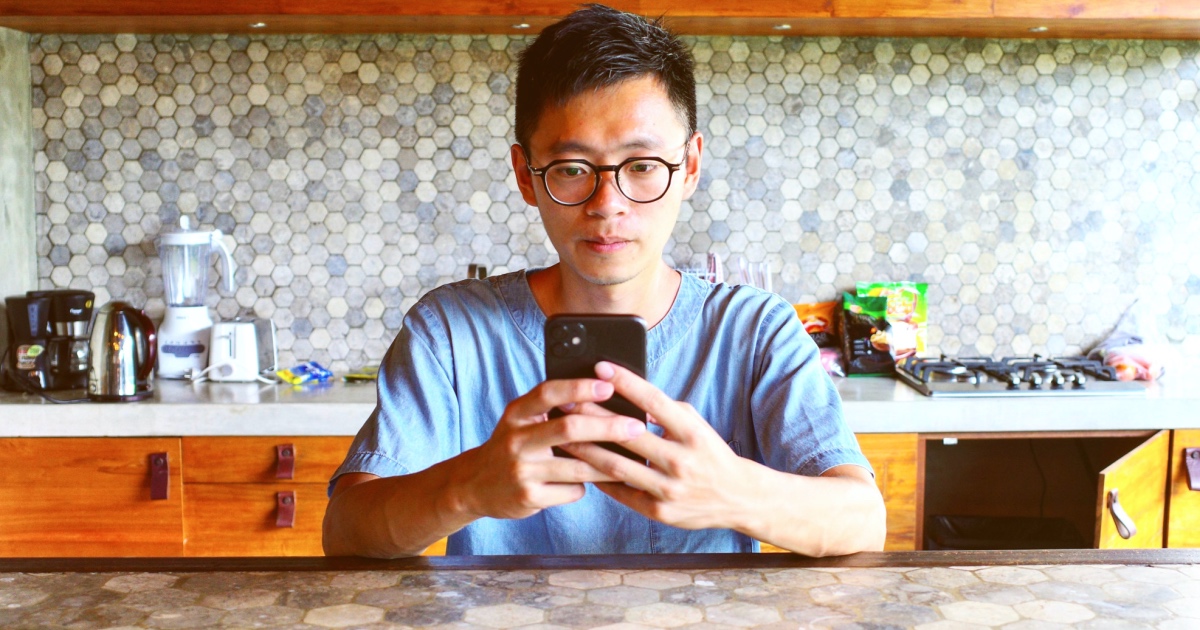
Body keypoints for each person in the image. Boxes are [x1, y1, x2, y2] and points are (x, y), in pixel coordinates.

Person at [322, 3, 886, 557]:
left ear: (689, 166)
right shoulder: (450, 332)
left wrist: (734, 492)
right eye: (572, 169)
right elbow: (346, 532)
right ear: (525, 175)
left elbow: (862, 523)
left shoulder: (754, 329)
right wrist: (466, 487)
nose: (607, 205)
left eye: (642, 166)